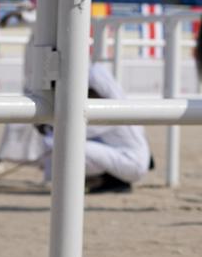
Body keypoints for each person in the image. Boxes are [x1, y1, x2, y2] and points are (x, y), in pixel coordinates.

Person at [36, 62, 154, 193]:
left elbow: (73, 132)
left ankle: (111, 180)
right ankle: (106, 178)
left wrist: (47, 126)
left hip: (132, 164)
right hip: (126, 157)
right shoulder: (118, 104)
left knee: (64, 146)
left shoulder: (110, 111)